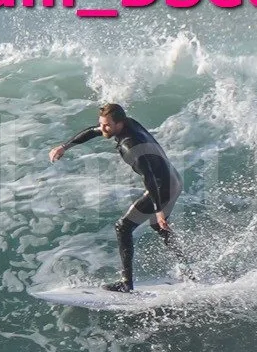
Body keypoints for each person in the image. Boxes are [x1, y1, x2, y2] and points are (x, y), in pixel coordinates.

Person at [49, 102, 179, 291]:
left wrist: (158, 210)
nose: (102, 129)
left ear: (120, 124)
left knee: (123, 227)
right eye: (101, 123)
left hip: (162, 187)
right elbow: (93, 131)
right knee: (157, 226)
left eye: (107, 125)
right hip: (173, 178)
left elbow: (149, 178)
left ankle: (127, 284)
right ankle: (187, 269)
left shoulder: (130, 147)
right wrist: (64, 147)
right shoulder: (129, 123)